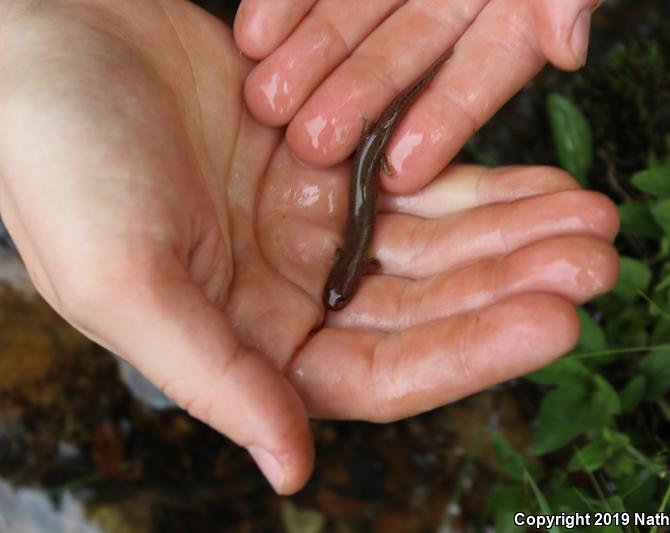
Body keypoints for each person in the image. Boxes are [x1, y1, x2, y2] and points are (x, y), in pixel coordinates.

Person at [0, 0, 618, 494]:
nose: (340, 291)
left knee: (386, 125)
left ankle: (407, 95)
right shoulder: (354, 259)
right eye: (341, 290)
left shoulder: (354, 262)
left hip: (361, 151)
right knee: (379, 134)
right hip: (346, 149)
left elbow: (356, 251)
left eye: (341, 289)